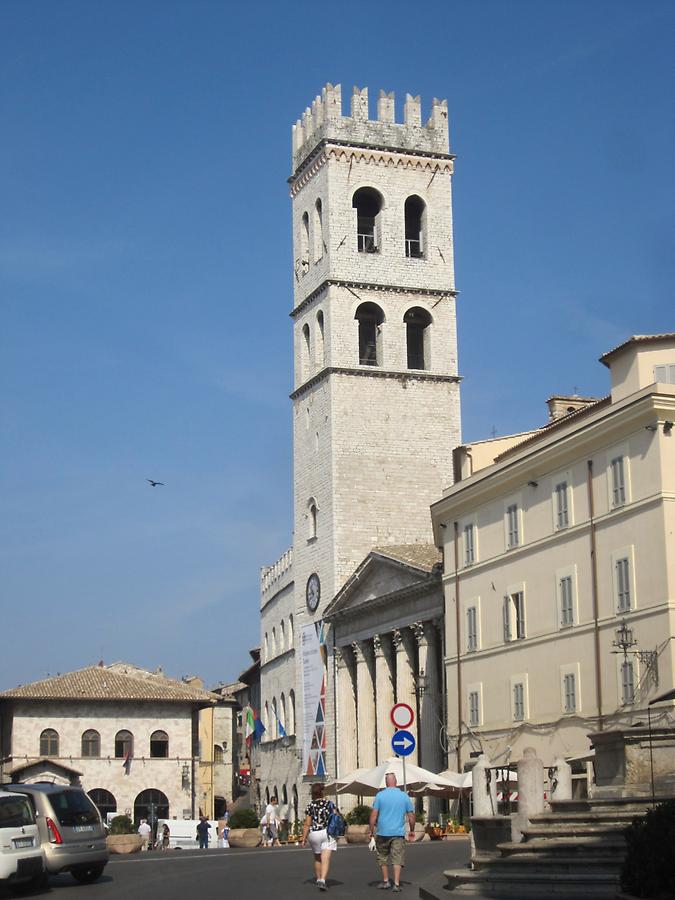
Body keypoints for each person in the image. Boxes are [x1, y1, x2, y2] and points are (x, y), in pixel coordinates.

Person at [369, 773, 415, 892]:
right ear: (396, 781)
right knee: (397, 858)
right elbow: (411, 815)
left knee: (382, 857)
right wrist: (412, 830)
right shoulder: (404, 796)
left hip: (382, 832)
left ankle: (385, 881)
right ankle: (396, 883)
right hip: (398, 833)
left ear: (386, 782)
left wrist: (371, 831)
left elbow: (373, 815)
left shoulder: (380, 795)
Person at [301, 783, 337, 891]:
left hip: (314, 833)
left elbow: (307, 824)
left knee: (317, 857)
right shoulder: (329, 804)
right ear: (323, 792)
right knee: (325, 858)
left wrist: (303, 839)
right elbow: (335, 816)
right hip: (327, 832)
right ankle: (322, 880)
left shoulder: (310, 806)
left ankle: (318, 879)